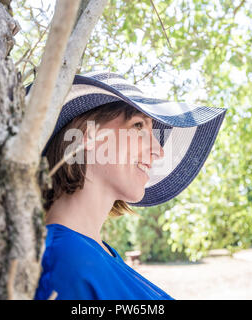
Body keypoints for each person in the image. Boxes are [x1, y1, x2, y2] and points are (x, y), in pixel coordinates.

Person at [27, 70, 228, 300]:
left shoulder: (94, 254)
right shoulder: (64, 260)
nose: (159, 151)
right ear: (88, 136)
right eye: (138, 126)